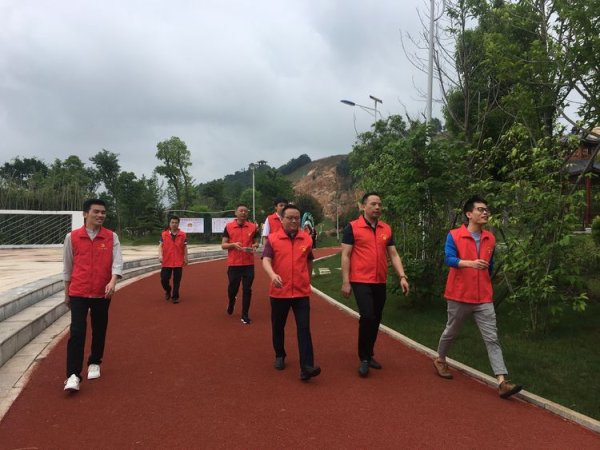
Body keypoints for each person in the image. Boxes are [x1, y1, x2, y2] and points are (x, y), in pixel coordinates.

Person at [433, 196, 523, 399]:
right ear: (469, 214)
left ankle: (502, 382)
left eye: (486, 210)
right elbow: (449, 259)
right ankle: (440, 359)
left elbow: (490, 265)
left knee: (492, 338)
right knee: (451, 331)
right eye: (480, 209)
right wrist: (470, 263)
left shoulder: (490, 238)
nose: (485, 213)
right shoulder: (454, 235)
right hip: (459, 295)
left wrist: (484, 279)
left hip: (483, 297)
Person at [341, 192, 410, 378]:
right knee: (367, 315)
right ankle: (363, 358)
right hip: (360, 279)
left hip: (380, 280)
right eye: (373, 204)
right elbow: (346, 255)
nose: (377, 207)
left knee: (376, 318)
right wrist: (346, 281)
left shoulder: (386, 228)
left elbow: (393, 254)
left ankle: (369, 353)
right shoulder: (352, 227)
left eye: (379, 204)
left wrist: (402, 276)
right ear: (363, 206)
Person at [63, 199, 123, 392]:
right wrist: (66, 293)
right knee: (77, 332)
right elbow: (67, 267)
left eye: (103, 212)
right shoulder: (72, 237)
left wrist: (113, 281)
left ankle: (95, 361)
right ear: (85, 214)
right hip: (78, 291)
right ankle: (73, 374)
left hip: (101, 292)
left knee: (99, 328)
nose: (100, 215)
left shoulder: (111, 237)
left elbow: (117, 262)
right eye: (96, 212)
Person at [262, 204, 321, 381]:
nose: (294, 221)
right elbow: (266, 260)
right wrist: (272, 275)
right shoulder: (273, 239)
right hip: (279, 292)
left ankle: (307, 367)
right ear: (282, 220)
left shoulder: (306, 239)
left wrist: (308, 280)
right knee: (278, 326)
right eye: (290, 218)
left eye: (297, 218)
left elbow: (309, 260)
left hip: (301, 293)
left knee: (304, 328)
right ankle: (280, 354)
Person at [222, 204, 260, 324]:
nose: (243, 213)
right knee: (232, 288)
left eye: (245, 211)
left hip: (248, 263)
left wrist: (254, 246)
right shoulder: (229, 227)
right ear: (236, 213)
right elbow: (223, 245)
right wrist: (233, 245)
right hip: (234, 264)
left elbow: (256, 242)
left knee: (247, 289)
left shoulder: (253, 227)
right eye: (241, 211)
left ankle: (245, 315)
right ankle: (231, 301)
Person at [158, 215, 188, 304]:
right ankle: (168, 290)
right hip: (167, 260)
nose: (174, 224)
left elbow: (185, 247)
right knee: (164, 279)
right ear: (169, 223)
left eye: (176, 222)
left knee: (177, 280)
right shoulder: (164, 234)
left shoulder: (183, 235)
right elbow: (160, 246)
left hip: (178, 261)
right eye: (172, 222)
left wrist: (186, 257)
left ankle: (175, 297)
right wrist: (160, 255)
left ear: (178, 224)